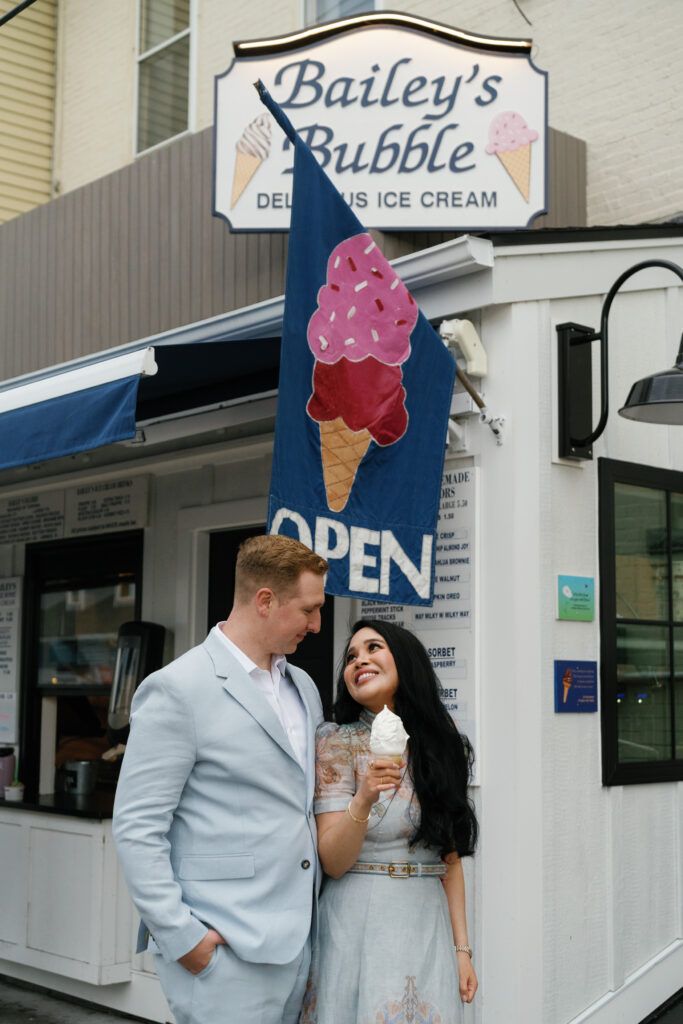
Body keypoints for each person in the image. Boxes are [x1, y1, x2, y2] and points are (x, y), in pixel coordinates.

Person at [113, 534, 329, 1024]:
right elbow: (136, 826)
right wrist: (184, 939)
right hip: (223, 953)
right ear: (265, 601)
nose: (317, 625)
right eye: (309, 610)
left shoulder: (305, 687)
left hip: (303, 945)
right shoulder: (177, 688)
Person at [302, 618, 478, 1024]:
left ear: (404, 660)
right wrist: (363, 797)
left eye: (373, 648)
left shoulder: (440, 741)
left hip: (425, 919)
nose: (359, 660)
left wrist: (462, 951)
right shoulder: (335, 742)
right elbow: (333, 861)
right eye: (350, 657)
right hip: (355, 918)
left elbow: (449, 858)